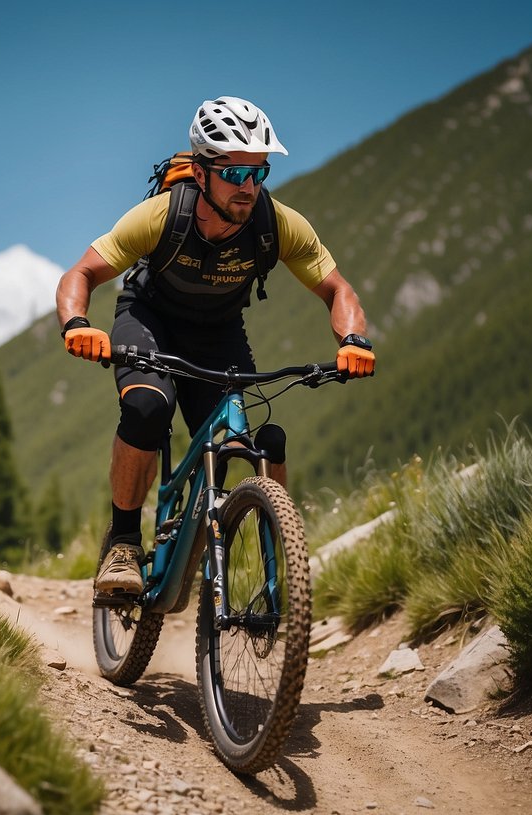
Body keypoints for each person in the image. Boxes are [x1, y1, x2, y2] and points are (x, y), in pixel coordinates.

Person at [54, 96, 375, 603]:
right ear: (202, 173)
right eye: (234, 174)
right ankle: (121, 543)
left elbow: (339, 290)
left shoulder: (277, 223)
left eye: (258, 173)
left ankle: (222, 550)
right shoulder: (162, 216)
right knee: (145, 407)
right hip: (149, 318)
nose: (248, 188)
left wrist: (353, 340)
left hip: (217, 330)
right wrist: (77, 323)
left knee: (235, 440)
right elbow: (82, 273)